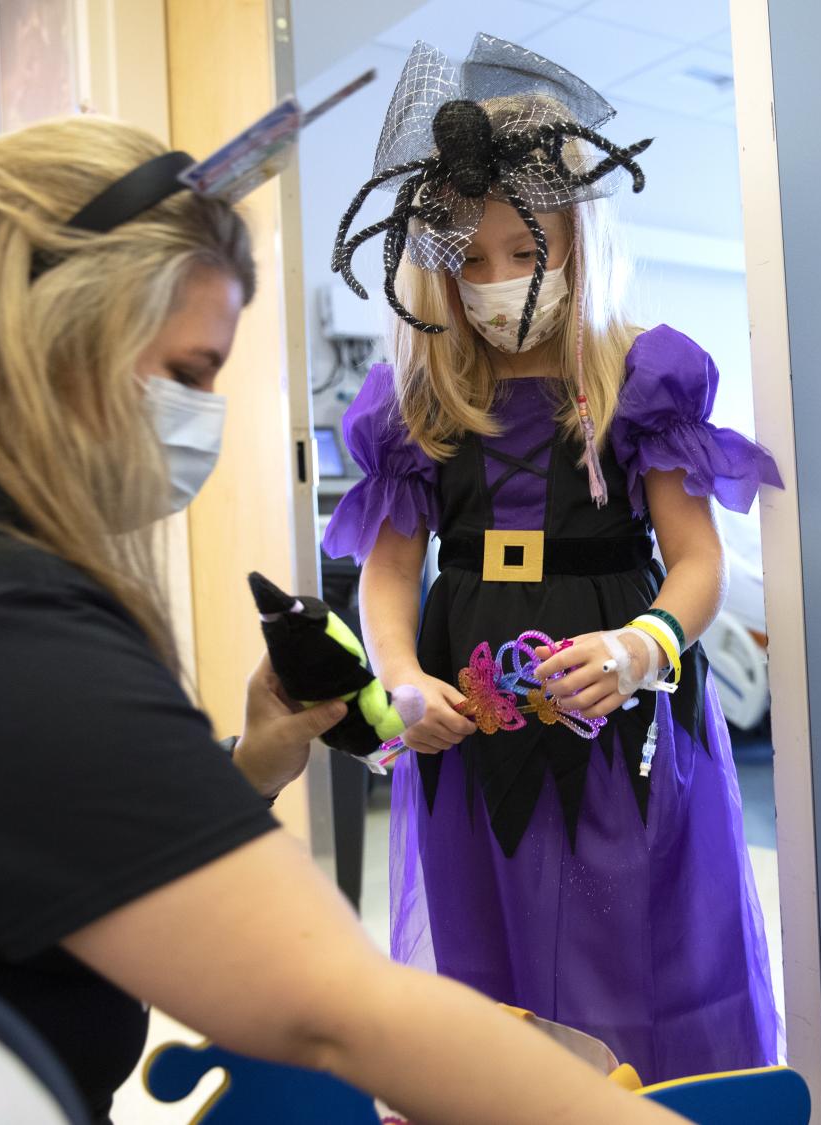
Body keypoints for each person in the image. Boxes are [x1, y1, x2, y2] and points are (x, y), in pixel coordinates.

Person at [0, 115, 684, 1125]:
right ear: (50, 332)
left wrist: (250, 765)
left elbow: (42, 839)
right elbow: (333, 1008)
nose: (203, 415)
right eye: (188, 373)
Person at [322, 35, 784, 1084]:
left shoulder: (644, 377)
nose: (496, 283)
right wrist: (398, 680)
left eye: (523, 254)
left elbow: (698, 561)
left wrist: (641, 645)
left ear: (576, 241)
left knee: (639, 951)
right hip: (467, 727)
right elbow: (391, 575)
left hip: (623, 716)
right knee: (492, 963)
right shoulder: (416, 404)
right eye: (471, 261)